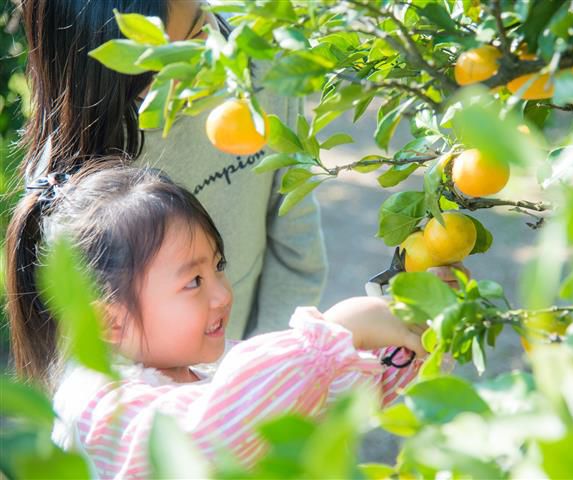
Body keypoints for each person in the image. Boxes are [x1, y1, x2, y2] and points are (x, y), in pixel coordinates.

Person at [6, 162, 427, 477]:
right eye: (193, 281)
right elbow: (207, 433)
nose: (223, 294)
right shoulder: (99, 408)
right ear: (109, 322)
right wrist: (331, 336)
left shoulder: (197, 369)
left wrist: (406, 327)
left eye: (218, 266)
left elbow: (316, 396)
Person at [19, 0, 327, 339]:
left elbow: (296, 239)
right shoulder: (82, 176)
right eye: (167, 59)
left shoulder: (262, 63)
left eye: (201, 24)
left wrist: (263, 364)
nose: (207, 56)